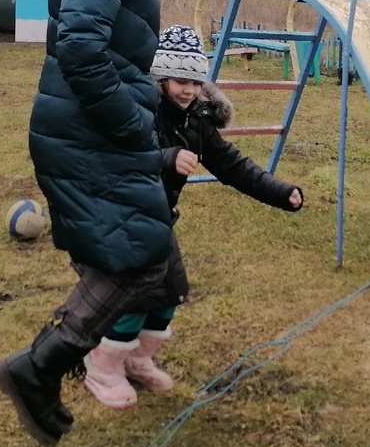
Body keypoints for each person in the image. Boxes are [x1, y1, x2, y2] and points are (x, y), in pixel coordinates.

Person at [0, 0, 190, 447]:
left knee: (152, 258)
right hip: (90, 132)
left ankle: (97, 359)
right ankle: (39, 367)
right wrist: (132, 122)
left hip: (89, 127)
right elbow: (79, 46)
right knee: (135, 260)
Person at [80, 24, 305, 408]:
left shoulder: (198, 118)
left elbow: (231, 164)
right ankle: (102, 364)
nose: (189, 90)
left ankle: (137, 359)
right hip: (120, 217)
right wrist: (165, 158)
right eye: (180, 80)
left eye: (196, 82)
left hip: (159, 218)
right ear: (162, 77)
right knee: (134, 295)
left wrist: (279, 191)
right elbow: (111, 161)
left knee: (170, 291)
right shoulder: (139, 111)